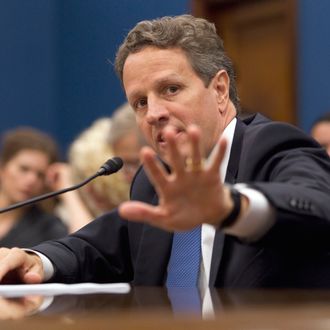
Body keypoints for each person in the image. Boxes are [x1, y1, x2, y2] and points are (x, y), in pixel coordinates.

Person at [0, 15, 329, 290]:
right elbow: (94, 248)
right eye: (140, 102)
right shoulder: (154, 180)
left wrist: (230, 207)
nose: (153, 112)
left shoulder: (270, 144)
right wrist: (35, 261)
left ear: (219, 89)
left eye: (170, 89)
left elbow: (316, 204)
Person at [0, 127, 67, 248]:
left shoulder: (48, 227)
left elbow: (80, 256)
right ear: (3, 168)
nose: (32, 180)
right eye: (24, 169)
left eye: (40, 175)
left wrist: (69, 191)